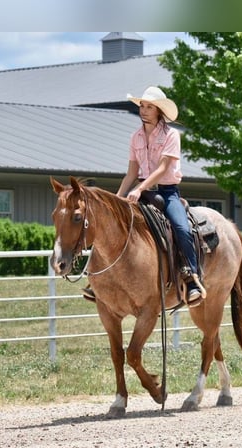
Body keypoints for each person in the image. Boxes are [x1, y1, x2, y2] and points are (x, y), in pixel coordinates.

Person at [83, 86, 204, 307]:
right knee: (108, 225)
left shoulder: (171, 135)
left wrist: (139, 189)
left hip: (167, 192)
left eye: (149, 107)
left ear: (159, 110)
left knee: (181, 227)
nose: (144, 110)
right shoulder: (135, 137)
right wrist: (117, 199)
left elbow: (162, 169)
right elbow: (131, 173)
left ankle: (191, 277)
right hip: (141, 192)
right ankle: (98, 278)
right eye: (142, 106)